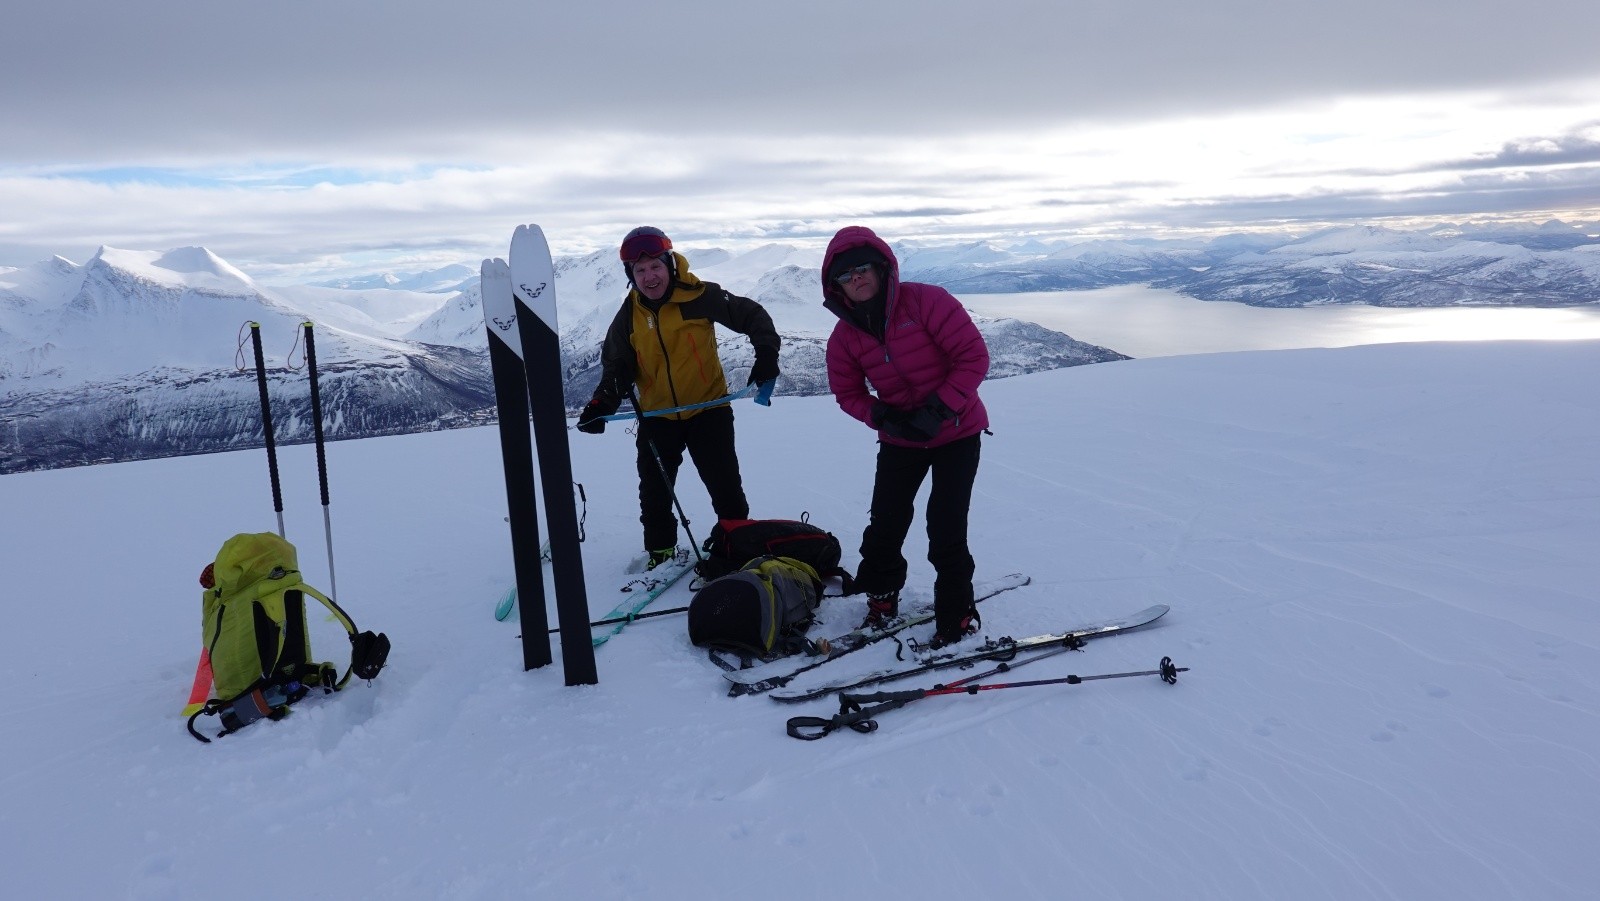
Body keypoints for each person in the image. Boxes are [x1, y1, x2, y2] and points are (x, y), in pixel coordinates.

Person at [821, 225, 991, 648]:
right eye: (846, 275)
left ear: (881, 268)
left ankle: (957, 613)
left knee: (946, 525)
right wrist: (881, 416)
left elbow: (973, 357)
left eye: (862, 269)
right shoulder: (844, 337)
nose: (856, 279)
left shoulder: (927, 301)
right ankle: (881, 599)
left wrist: (939, 409)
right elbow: (847, 393)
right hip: (901, 438)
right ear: (836, 286)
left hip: (957, 431)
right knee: (886, 524)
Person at [576, 226, 781, 568]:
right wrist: (602, 404)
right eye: (640, 270)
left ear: (670, 264)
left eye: (655, 266)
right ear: (631, 275)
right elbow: (617, 367)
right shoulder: (629, 315)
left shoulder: (699, 296)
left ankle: (735, 545)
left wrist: (766, 356)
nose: (649, 277)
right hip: (657, 417)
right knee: (654, 493)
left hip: (708, 411)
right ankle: (660, 553)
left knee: (725, 487)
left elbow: (751, 315)